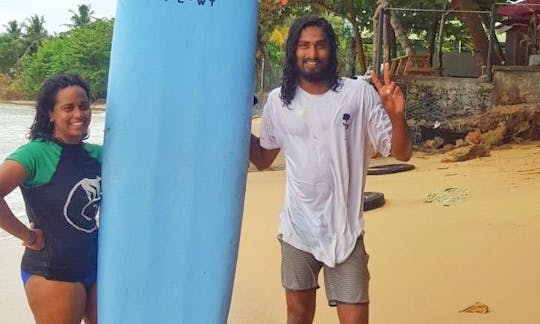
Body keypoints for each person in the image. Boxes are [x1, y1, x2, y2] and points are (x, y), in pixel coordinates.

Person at [249, 16, 412, 324]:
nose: (312, 53)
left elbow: (402, 153)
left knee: (355, 319)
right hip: (297, 230)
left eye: (320, 45)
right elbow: (262, 159)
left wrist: (397, 117)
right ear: (293, 51)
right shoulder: (279, 102)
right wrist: (229, 119)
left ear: (332, 51)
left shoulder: (357, 95)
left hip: (345, 232)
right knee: (298, 316)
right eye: (304, 45)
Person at [0, 74, 101, 324]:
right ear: (50, 113)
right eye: (68, 108)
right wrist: (27, 235)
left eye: (84, 105)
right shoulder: (35, 154)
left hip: (97, 266)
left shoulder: (98, 155)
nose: (79, 114)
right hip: (53, 272)